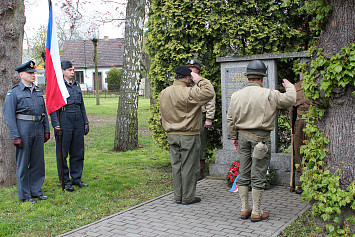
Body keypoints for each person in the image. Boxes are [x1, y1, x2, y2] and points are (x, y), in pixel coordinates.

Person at [227, 60, 296, 222]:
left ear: (248, 77)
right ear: (262, 78)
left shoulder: (236, 95)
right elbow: (291, 99)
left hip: (242, 137)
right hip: (261, 140)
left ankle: (244, 209)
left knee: (243, 172)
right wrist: (289, 85)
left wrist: (234, 137)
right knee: (258, 174)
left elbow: (230, 119)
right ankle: (256, 211)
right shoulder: (270, 94)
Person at [159, 65, 215, 205]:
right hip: (189, 134)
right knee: (189, 166)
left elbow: (161, 115)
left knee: (176, 166)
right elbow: (209, 93)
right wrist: (199, 79)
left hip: (172, 134)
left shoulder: (165, 92)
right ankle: (188, 197)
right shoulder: (190, 92)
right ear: (186, 78)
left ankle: (178, 196)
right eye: (190, 77)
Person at [4, 60, 50, 203]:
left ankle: (36, 190)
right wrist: (15, 136)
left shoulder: (37, 91)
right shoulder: (14, 92)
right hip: (23, 129)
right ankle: (25, 194)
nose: (33, 75)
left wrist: (46, 129)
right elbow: (9, 116)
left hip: (37, 128)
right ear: (21, 75)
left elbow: (43, 111)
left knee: (38, 162)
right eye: (30, 73)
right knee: (23, 163)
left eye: (33, 73)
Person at [50, 60, 89, 192]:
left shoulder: (76, 85)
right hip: (64, 118)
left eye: (73, 70)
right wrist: (56, 125)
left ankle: (76, 178)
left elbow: (81, 105)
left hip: (77, 118)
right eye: (70, 70)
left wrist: (85, 121)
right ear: (62, 71)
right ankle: (65, 181)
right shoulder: (58, 86)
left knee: (78, 151)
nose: (72, 72)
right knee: (63, 152)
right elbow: (53, 108)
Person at [186, 59, 216, 180]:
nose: (189, 70)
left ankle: (200, 170)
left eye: (192, 68)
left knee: (200, 144)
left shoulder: (204, 83)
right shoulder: (186, 83)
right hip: (188, 117)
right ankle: (190, 169)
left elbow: (210, 101)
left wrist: (209, 118)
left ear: (197, 70)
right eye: (188, 67)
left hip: (201, 116)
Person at [289, 80, 310, 194]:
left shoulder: (296, 87)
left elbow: (292, 110)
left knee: (299, 152)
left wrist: (292, 126)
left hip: (302, 123)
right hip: (310, 123)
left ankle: (304, 181)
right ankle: (306, 180)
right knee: (300, 152)